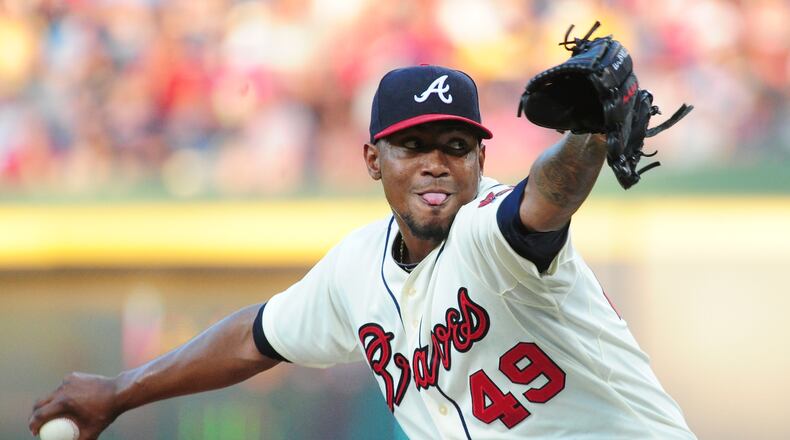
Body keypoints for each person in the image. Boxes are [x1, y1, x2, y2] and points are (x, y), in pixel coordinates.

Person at [29, 64, 695, 439]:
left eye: (456, 146)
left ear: (480, 159)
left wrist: (589, 136)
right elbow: (254, 338)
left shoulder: (489, 228)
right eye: (414, 146)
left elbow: (547, 198)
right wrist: (118, 391)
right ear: (375, 160)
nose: (437, 162)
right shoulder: (354, 270)